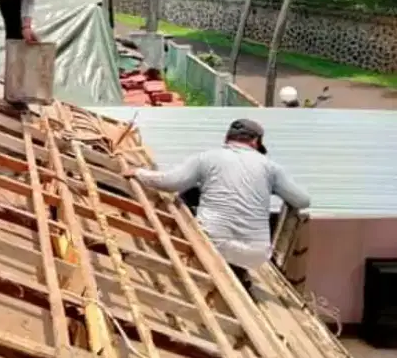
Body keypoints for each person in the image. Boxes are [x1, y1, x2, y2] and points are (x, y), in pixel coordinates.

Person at [125, 118, 311, 297]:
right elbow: (303, 201)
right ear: (255, 142)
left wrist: (138, 172)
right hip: (256, 255)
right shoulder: (271, 168)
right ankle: (241, 268)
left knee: (189, 192)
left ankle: (185, 249)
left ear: (226, 138)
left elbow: (170, 182)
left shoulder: (207, 158)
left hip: (214, 244)